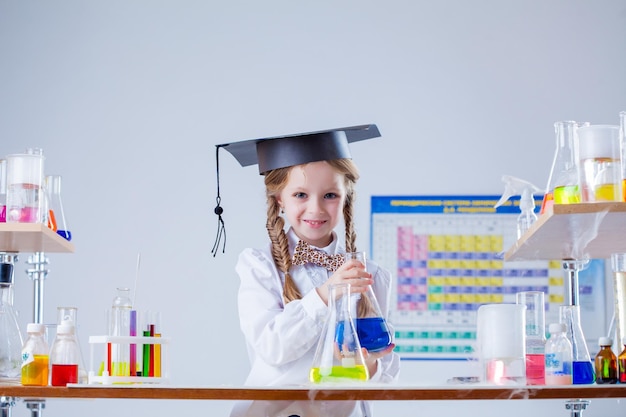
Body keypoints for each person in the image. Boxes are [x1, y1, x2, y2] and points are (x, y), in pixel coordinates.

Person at [215, 125, 400, 417]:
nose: (316, 209)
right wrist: (327, 293)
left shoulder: (371, 275)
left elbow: (386, 375)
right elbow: (273, 347)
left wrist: (371, 362)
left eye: (330, 195)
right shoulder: (260, 266)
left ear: (346, 197)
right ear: (279, 200)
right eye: (300, 194)